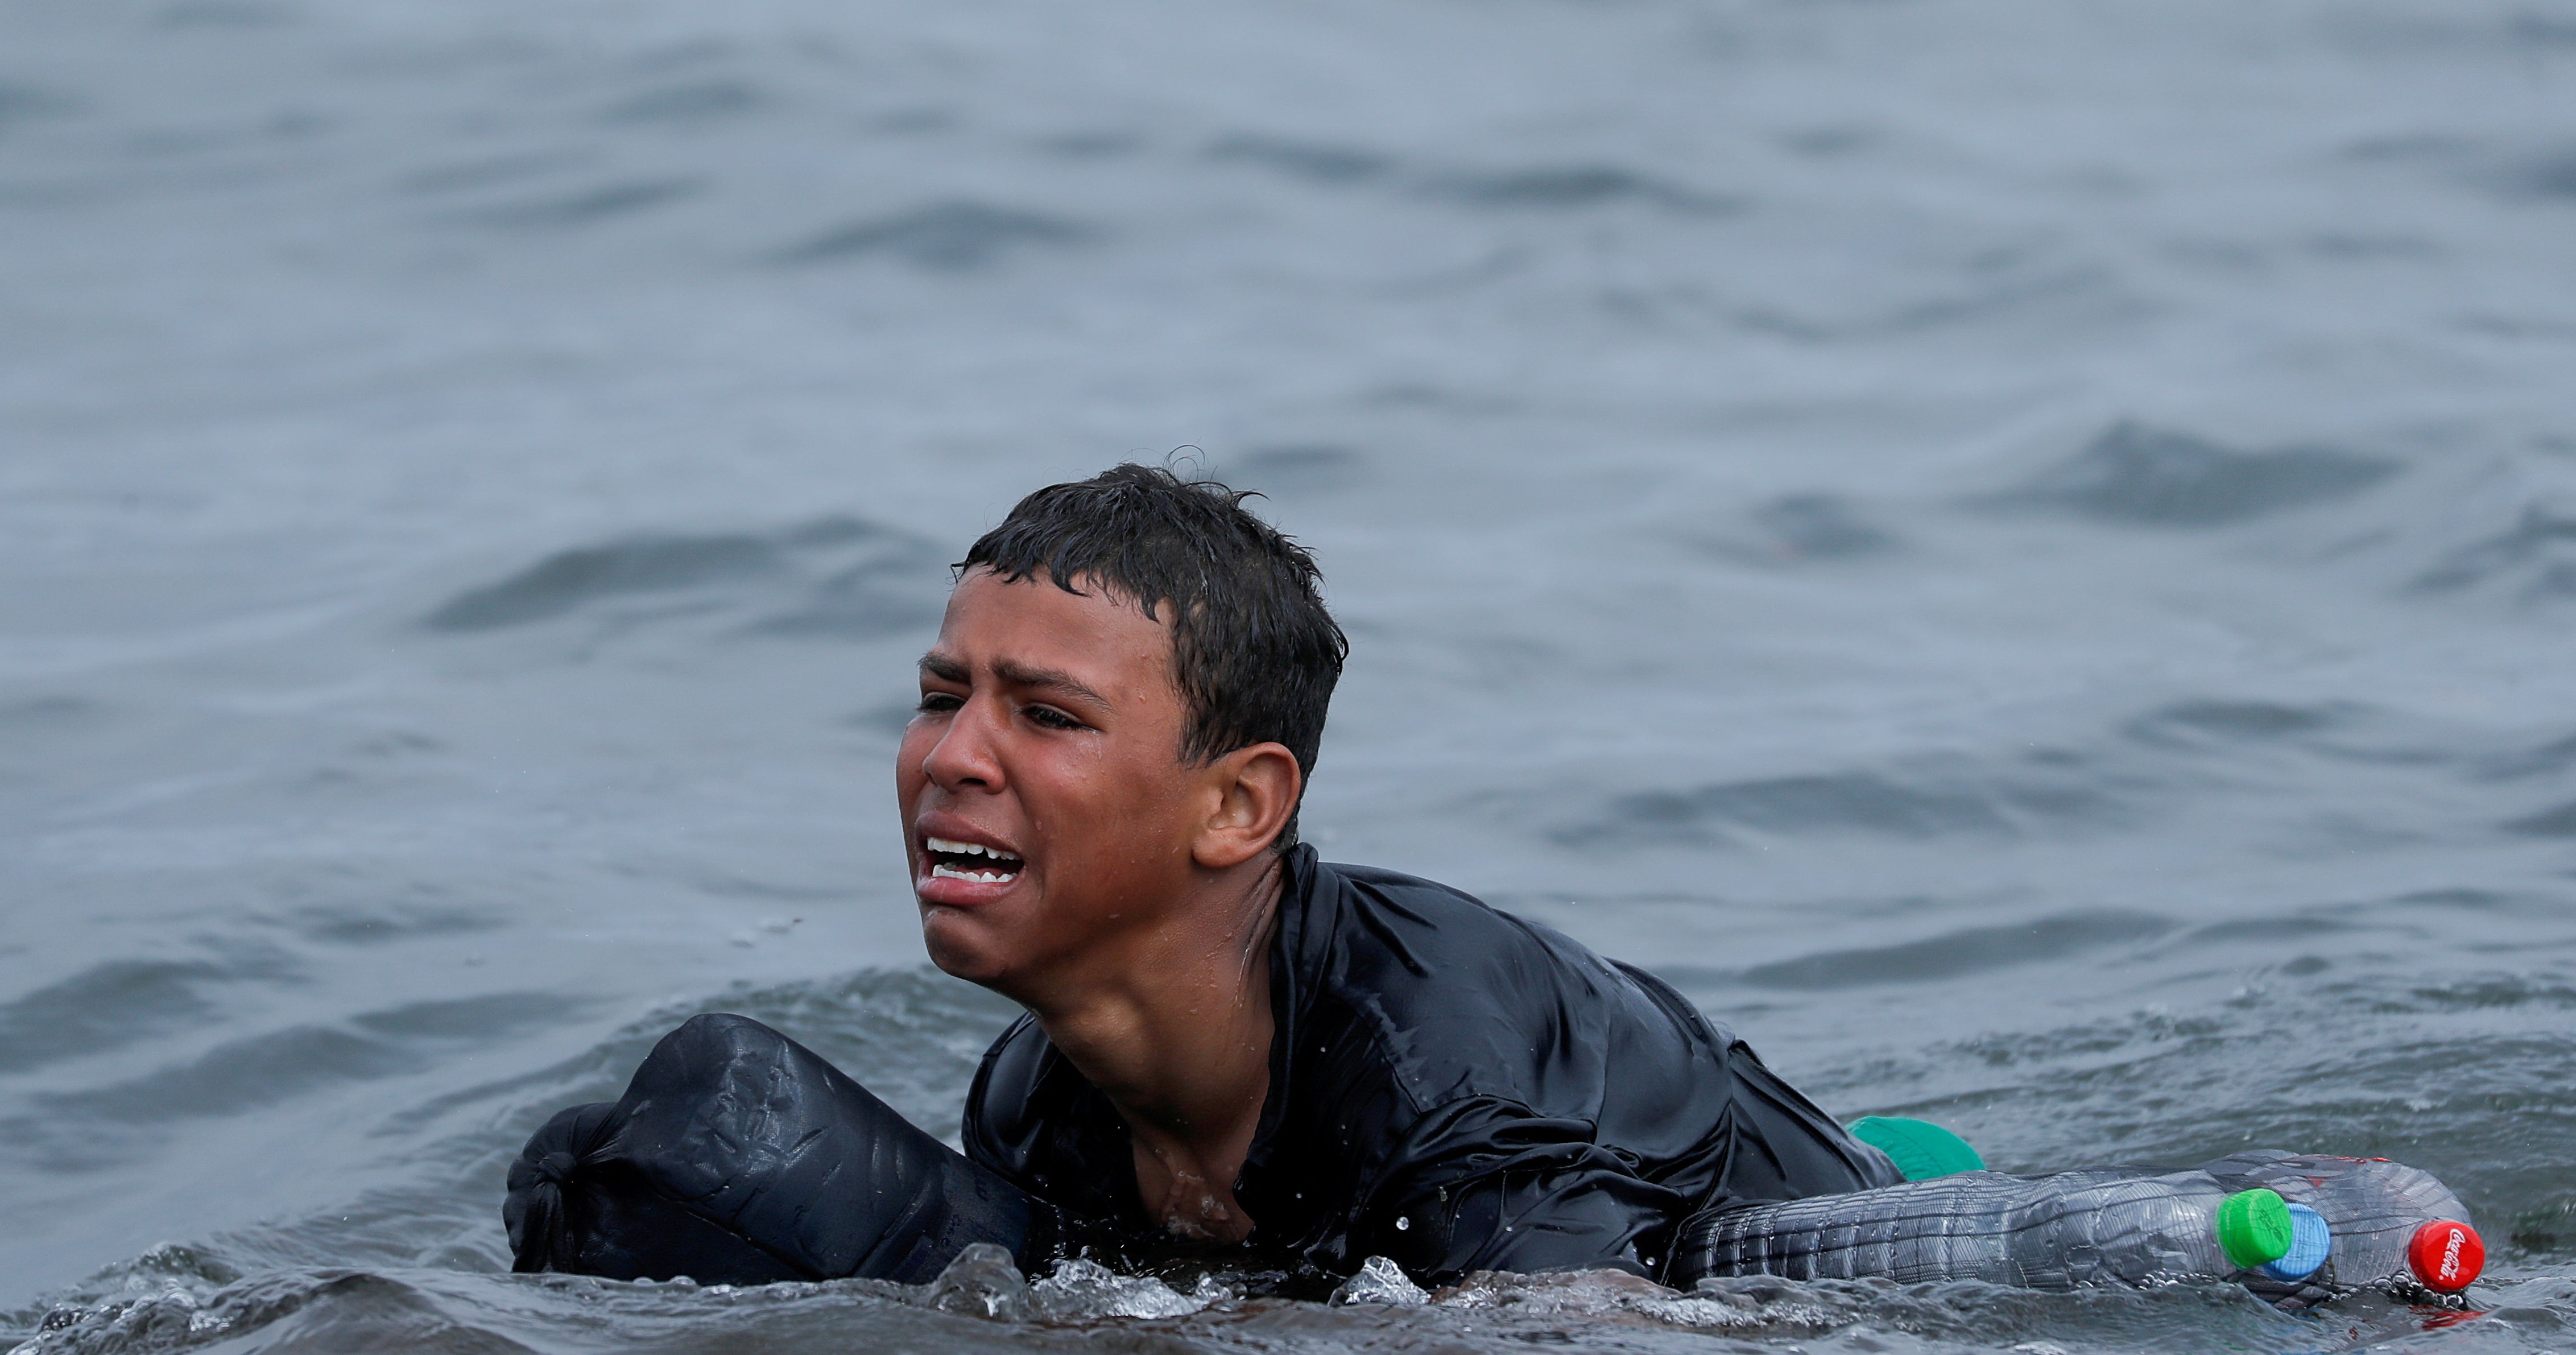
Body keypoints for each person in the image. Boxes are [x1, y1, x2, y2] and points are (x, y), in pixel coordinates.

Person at [505, 465, 1897, 1291]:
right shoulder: (1033, 1105)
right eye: (942, 696)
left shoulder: (1432, 1058)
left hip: (1829, 1225)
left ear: (1239, 804)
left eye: (1044, 715)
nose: (952, 757)